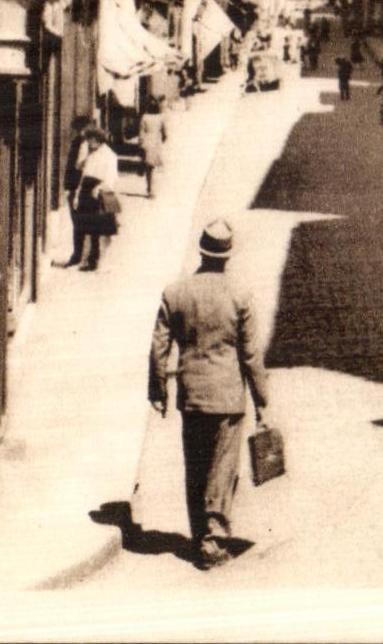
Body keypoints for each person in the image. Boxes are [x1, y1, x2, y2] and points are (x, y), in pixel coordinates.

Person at [148, 219, 269, 570]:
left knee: (196, 464)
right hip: (228, 396)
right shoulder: (240, 296)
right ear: (227, 256)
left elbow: (159, 346)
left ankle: (198, 531)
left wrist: (158, 389)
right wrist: (263, 403)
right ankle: (212, 539)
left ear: (202, 251)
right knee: (222, 468)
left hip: (192, 394)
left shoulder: (176, 293)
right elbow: (251, 355)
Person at [65, 126, 120, 270]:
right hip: (85, 190)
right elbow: (82, 174)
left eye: (89, 140)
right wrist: (77, 195)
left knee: (96, 229)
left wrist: (99, 187)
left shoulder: (110, 156)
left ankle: (93, 261)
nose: (88, 143)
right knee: (80, 225)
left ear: (96, 140)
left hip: (98, 193)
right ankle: (80, 257)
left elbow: (111, 178)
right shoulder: (91, 154)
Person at [138, 98, 167, 199]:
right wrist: (162, 139)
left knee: (148, 168)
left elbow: (141, 132)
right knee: (154, 168)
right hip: (156, 143)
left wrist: (140, 144)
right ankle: (152, 190)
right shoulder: (161, 118)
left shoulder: (144, 117)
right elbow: (165, 133)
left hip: (147, 142)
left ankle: (149, 188)